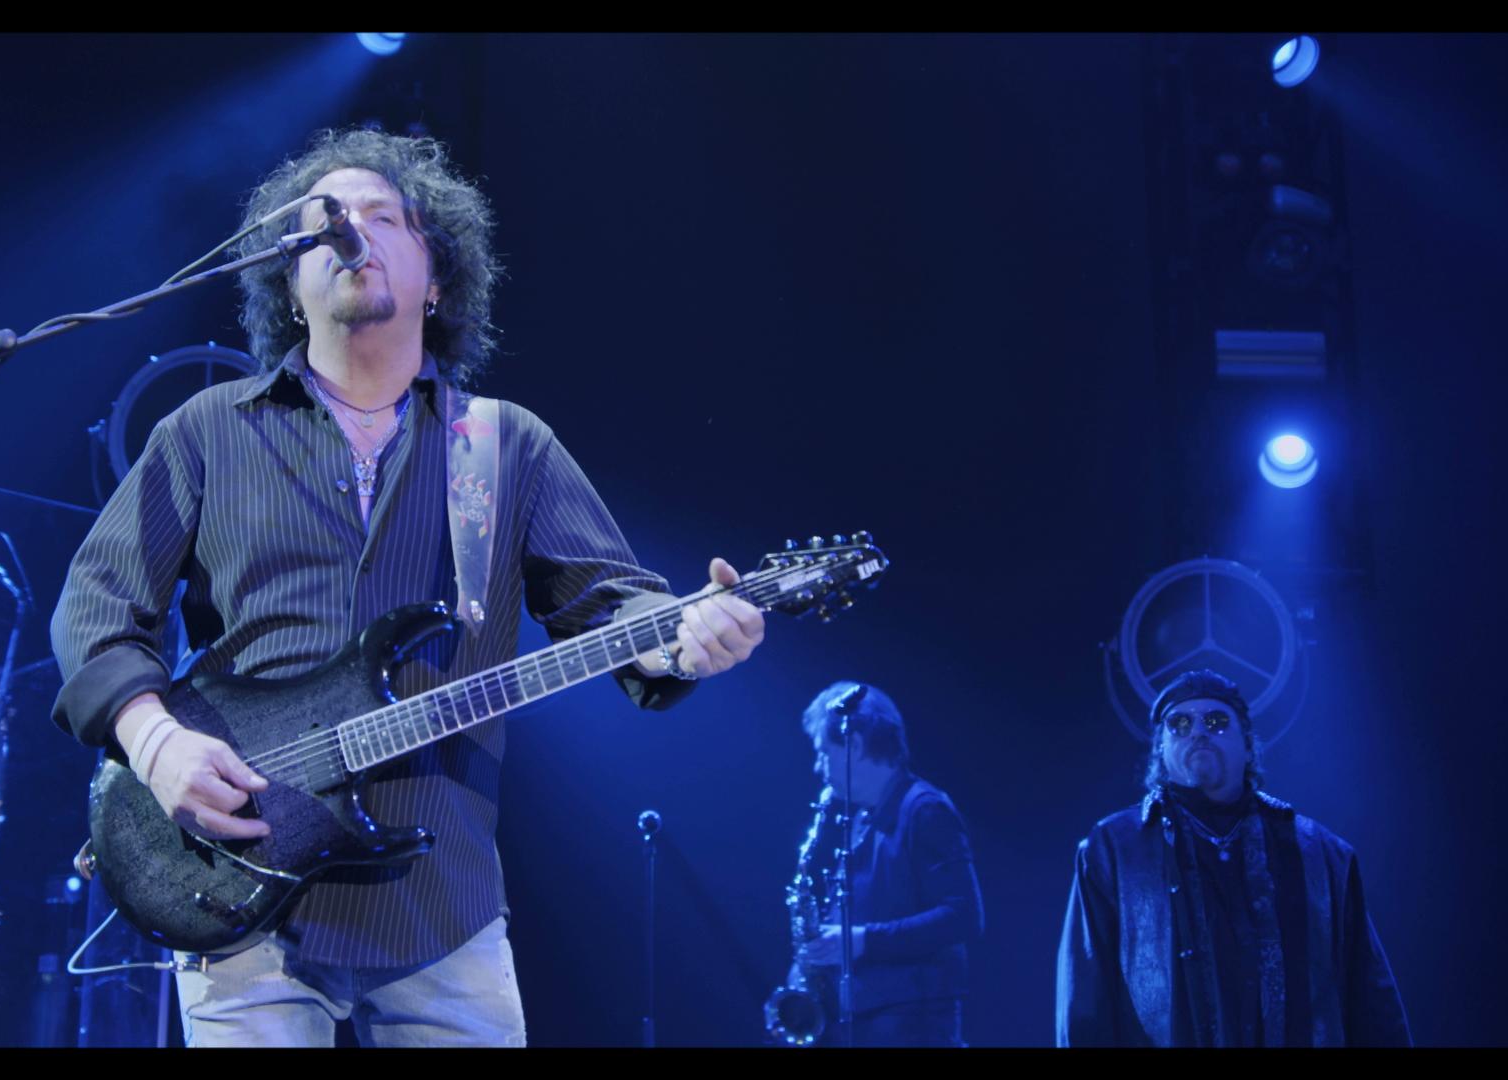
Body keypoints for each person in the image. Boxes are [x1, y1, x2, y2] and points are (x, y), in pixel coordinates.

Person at [49, 128, 765, 1047]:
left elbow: (613, 606)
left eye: (384, 218)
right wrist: (155, 747)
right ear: (290, 284)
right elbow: (96, 608)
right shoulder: (206, 432)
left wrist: (680, 635)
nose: (351, 231)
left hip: (442, 908)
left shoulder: (505, 445)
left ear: (436, 278)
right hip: (240, 894)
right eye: (321, 226)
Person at [1055, 669, 1411, 1046]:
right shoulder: (1112, 850)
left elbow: (1370, 997)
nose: (1198, 732)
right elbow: (1086, 999)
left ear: (1248, 745)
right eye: (1179, 723)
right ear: (1160, 747)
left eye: (1215, 721)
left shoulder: (1321, 853)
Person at [796, 681, 983, 1047]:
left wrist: (861, 940)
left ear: (855, 745)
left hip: (913, 1024)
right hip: (865, 1021)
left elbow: (964, 916)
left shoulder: (925, 808)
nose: (818, 768)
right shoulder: (864, 819)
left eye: (823, 753)